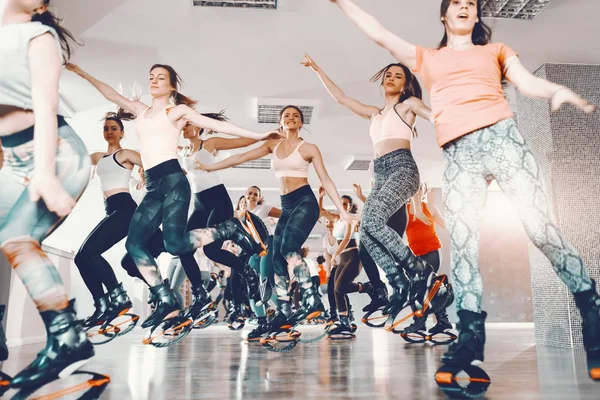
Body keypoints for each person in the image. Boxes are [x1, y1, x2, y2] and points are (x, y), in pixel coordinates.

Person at [329, 0, 599, 377]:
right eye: (456, 4)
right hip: (461, 154)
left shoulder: (497, 52)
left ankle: (591, 313)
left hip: (499, 140)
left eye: (471, 4)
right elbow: (381, 35)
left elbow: (523, 80)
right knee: (465, 246)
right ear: (444, 16)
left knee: (542, 231)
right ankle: (466, 345)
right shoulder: (429, 59)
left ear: (477, 15)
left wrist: (554, 91)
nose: (464, 8)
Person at [67, 62, 277, 328]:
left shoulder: (176, 111)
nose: (153, 81)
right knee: (135, 247)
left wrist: (258, 135)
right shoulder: (141, 111)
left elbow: (214, 124)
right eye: (151, 77)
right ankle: (165, 300)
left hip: (174, 181)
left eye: (160, 78)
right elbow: (111, 94)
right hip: (154, 185)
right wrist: (82, 73)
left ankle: (228, 230)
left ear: (172, 86)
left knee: (174, 243)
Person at [0, 0, 93, 387]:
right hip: (15, 159)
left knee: (17, 239)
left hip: (56, 156)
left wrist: (44, 174)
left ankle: (68, 338)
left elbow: (45, 102)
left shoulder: (38, 35)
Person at [197, 105, 357, 330]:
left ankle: (312, 299)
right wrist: (210, 167)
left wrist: (341, 210)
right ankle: (284, 309)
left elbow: (326, 179)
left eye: (295, 116)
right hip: (287, 205)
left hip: (305, 201)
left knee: (289, 248)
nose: (291, 118)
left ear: (301, 123)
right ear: (281, 123)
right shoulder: (273, 145)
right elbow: (242, 157)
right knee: (276, 260)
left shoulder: (309, 148)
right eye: (286, 116)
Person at [302, 52, 433, 317]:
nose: (391, 78)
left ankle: (416, 268)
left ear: (405, 84)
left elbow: (435, 115)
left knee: (372, 223)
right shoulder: (375, 114)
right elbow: (341, 98)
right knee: (367, 238)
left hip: (403, 168)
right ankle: (398, 283)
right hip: (382, 173)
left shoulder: (409, 105)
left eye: (398, 76)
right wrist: (317, 69)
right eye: (388, 75)